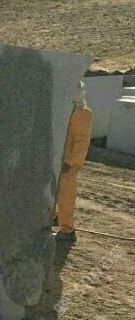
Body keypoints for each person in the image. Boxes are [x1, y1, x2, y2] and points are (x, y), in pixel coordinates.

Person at [54, 81, 93, 242]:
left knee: (66, 196)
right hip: (59, 160)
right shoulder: (67, 110)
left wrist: (71, 162)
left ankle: (67, 230)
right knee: (54, 191)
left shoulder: (83, 113)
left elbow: (82, 142)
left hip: (69, 164)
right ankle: (55, 217)